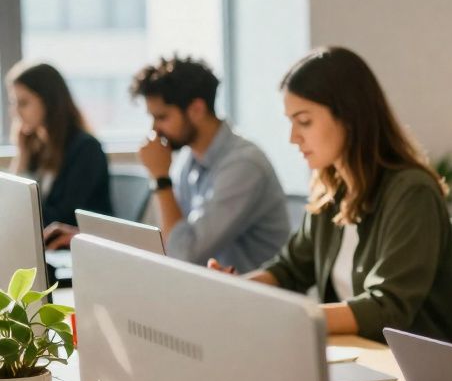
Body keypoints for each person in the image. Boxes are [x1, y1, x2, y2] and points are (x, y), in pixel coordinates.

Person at [233, 47, 452, 346]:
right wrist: (233, 292)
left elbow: (388, 308)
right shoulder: (331, 187)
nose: (293, 137)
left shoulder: (412, 193)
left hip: (414, 369)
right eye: (291, 122)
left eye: (304, 121)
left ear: (349, 117)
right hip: (356, 352)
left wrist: (299, 319)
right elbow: (290, 270)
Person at [129, 56, 289, 272]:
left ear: (196, 109)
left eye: (162, 117)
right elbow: (166, 241)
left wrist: (160, 178)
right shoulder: (189, 160)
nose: (154, 130)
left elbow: (184, 253)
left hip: (256, 297)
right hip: (213, 289)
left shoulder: (244, 165)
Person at [5, 62, 112, 242]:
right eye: (14, 102)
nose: (15, 112)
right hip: (45, 247)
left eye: (23, 103)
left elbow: (60, 218)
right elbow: (12, 208)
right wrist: (21, 156)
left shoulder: (85, 149)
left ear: (48, 101)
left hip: (74, 250)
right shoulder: (35, 146)